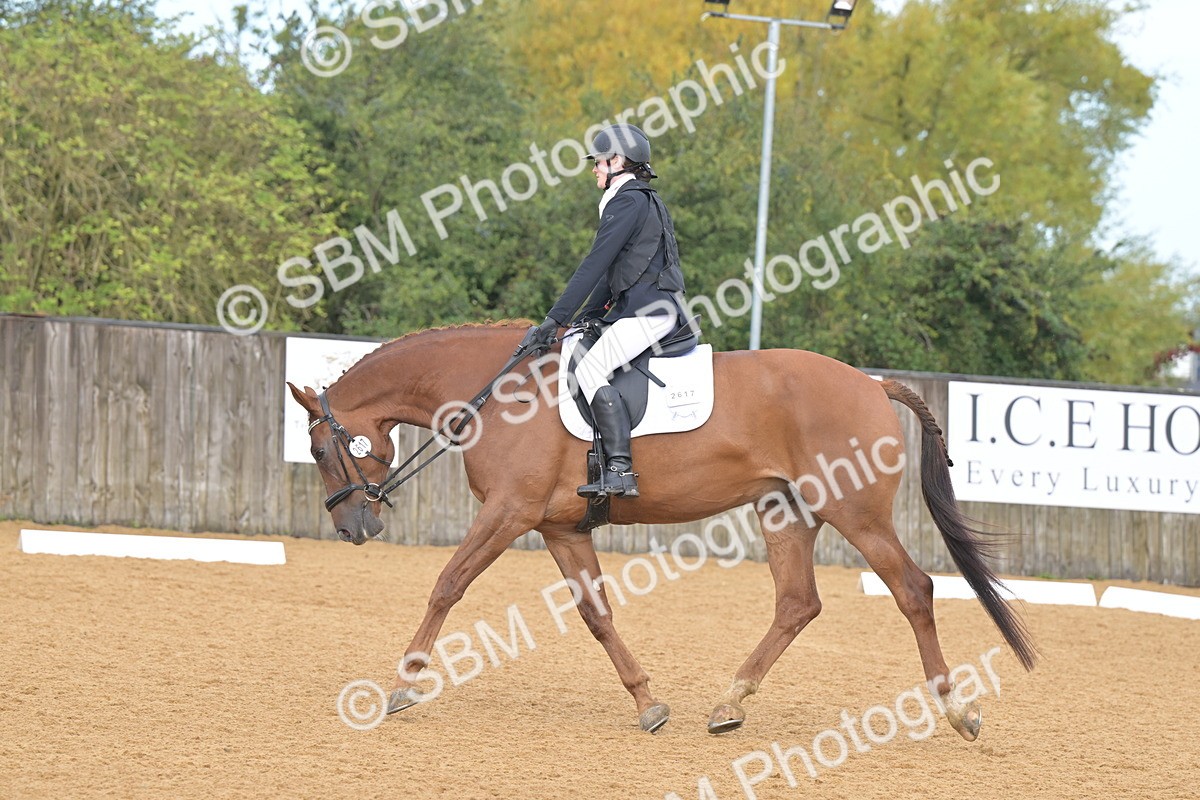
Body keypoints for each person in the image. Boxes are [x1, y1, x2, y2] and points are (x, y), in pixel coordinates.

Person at [518, 123, 687, 499]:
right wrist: (584, 316)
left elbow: (595, 263)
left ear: (618, 161)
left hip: (649, 312)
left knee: (591, 369)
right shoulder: (639, 199)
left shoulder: (627, 200)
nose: (594, 169)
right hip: (645, 307)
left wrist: (555, 319)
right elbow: (614, 276)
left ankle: (620, 470)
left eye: (598, 162)